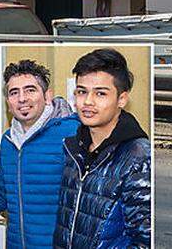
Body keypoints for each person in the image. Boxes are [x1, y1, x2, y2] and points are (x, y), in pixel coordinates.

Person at [54, 48, 151, 249]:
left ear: (122, 99)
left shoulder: (139, 157)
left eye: (100, 93)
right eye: (82, 92)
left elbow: (145, 240)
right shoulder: (73, 150)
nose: (88, 102)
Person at [0, 59, 79, 248]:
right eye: (14, 92)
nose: (22, 99)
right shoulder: (9, 141)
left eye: (30, 90)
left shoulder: (72, 133)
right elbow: (1, 194)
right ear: (8, 102)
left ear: (47, 95)